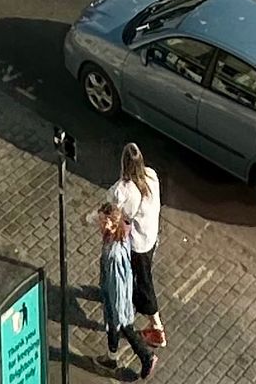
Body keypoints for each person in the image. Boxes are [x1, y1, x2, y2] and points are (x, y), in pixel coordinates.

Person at [109, 144, 163, 346]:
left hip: (137, 244)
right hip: (151, 236)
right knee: (144, 274)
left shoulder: (124, 190)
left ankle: (156, 326)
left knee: (143, 282)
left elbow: (119, 212)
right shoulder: (151, 175)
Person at [96, 203, 154, 378]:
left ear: (112, 224)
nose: (99, 224)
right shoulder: (120, 236)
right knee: (115, 325)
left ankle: (146, 356)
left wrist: (117, 307)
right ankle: (112, 358)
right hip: (118, 292)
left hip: (116, 296)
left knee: (122, 324)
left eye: (102, 221)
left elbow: (116, 283)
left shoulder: (113, 253)